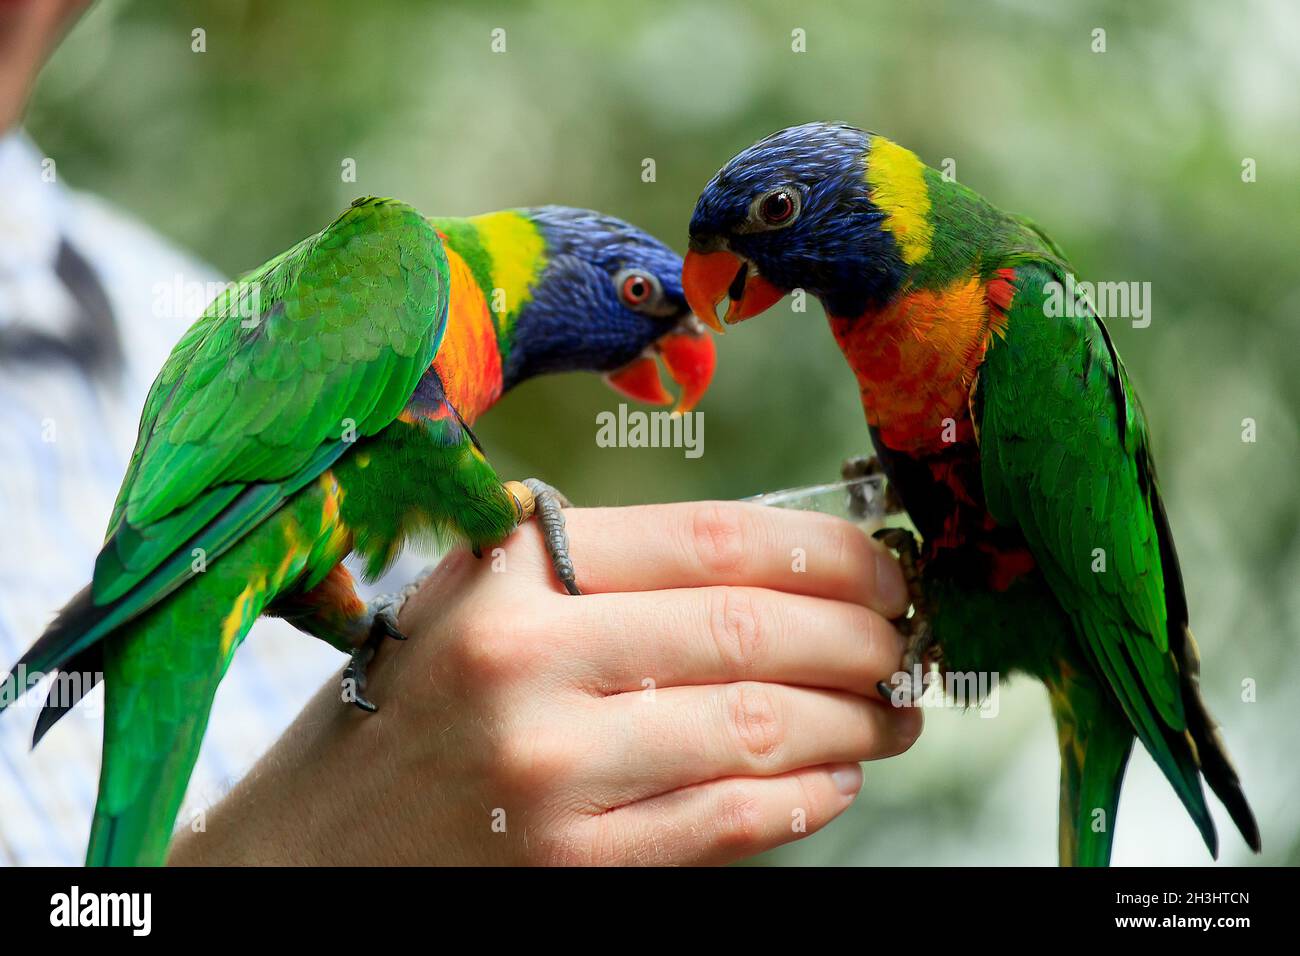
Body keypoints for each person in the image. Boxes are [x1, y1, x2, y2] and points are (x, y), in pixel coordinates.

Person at [0, 2, 919, 866]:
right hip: (199, 564)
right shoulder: (399, 261)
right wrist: (512, 508)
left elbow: (343, 541)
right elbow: (412, 451)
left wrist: (377, 644)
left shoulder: (156, 294)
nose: (663, 342)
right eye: (641, 300)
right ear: (547, 272)